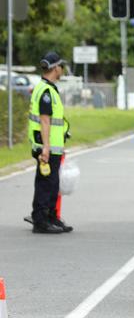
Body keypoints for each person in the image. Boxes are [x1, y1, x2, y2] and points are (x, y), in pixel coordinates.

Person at [28, 51, 73, 234]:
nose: (62, 70)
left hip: (51, 146)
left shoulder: (46, 87)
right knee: (46, 183)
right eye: (61, 66)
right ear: (55, 68)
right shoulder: (46, 91)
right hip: (46, 148)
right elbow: (45, 120)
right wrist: (46, 147)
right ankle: (41, 220)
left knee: (52, 183)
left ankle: (51, 217)